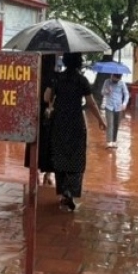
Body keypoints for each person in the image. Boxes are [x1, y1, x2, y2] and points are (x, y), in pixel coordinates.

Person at [45, 52, 105, 211]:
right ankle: (70, 192)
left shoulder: (57, 78)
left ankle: (63, 193)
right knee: (76, 158)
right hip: (76, 123)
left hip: (59, 123)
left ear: (64, 62)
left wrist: (51, 87)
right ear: (79, 63)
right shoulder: (82, 80)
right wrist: (100, 120)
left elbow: (46, 98)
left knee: (60, 155)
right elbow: (91, 103)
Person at [23, 53, 57, 185]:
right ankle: (47, 175)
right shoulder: (54, 77)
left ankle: (34, 174)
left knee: (33, 142)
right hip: (48, 115)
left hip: (34, 114)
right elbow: (49, 98)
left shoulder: (33, 74)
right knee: (49, 144)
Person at [100, 72, 130, 148]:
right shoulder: (107, 82)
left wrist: (124, 104)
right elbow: (102, 92)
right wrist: (107, 91)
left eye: (117, 79)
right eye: (114, 78)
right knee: (110, 124)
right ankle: (109, 142)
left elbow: (126, 94)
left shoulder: (122, 83)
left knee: (116, 125)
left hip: (118, 107)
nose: (115, 80)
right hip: (109, 106)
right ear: (112, 75)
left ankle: (114, 141)